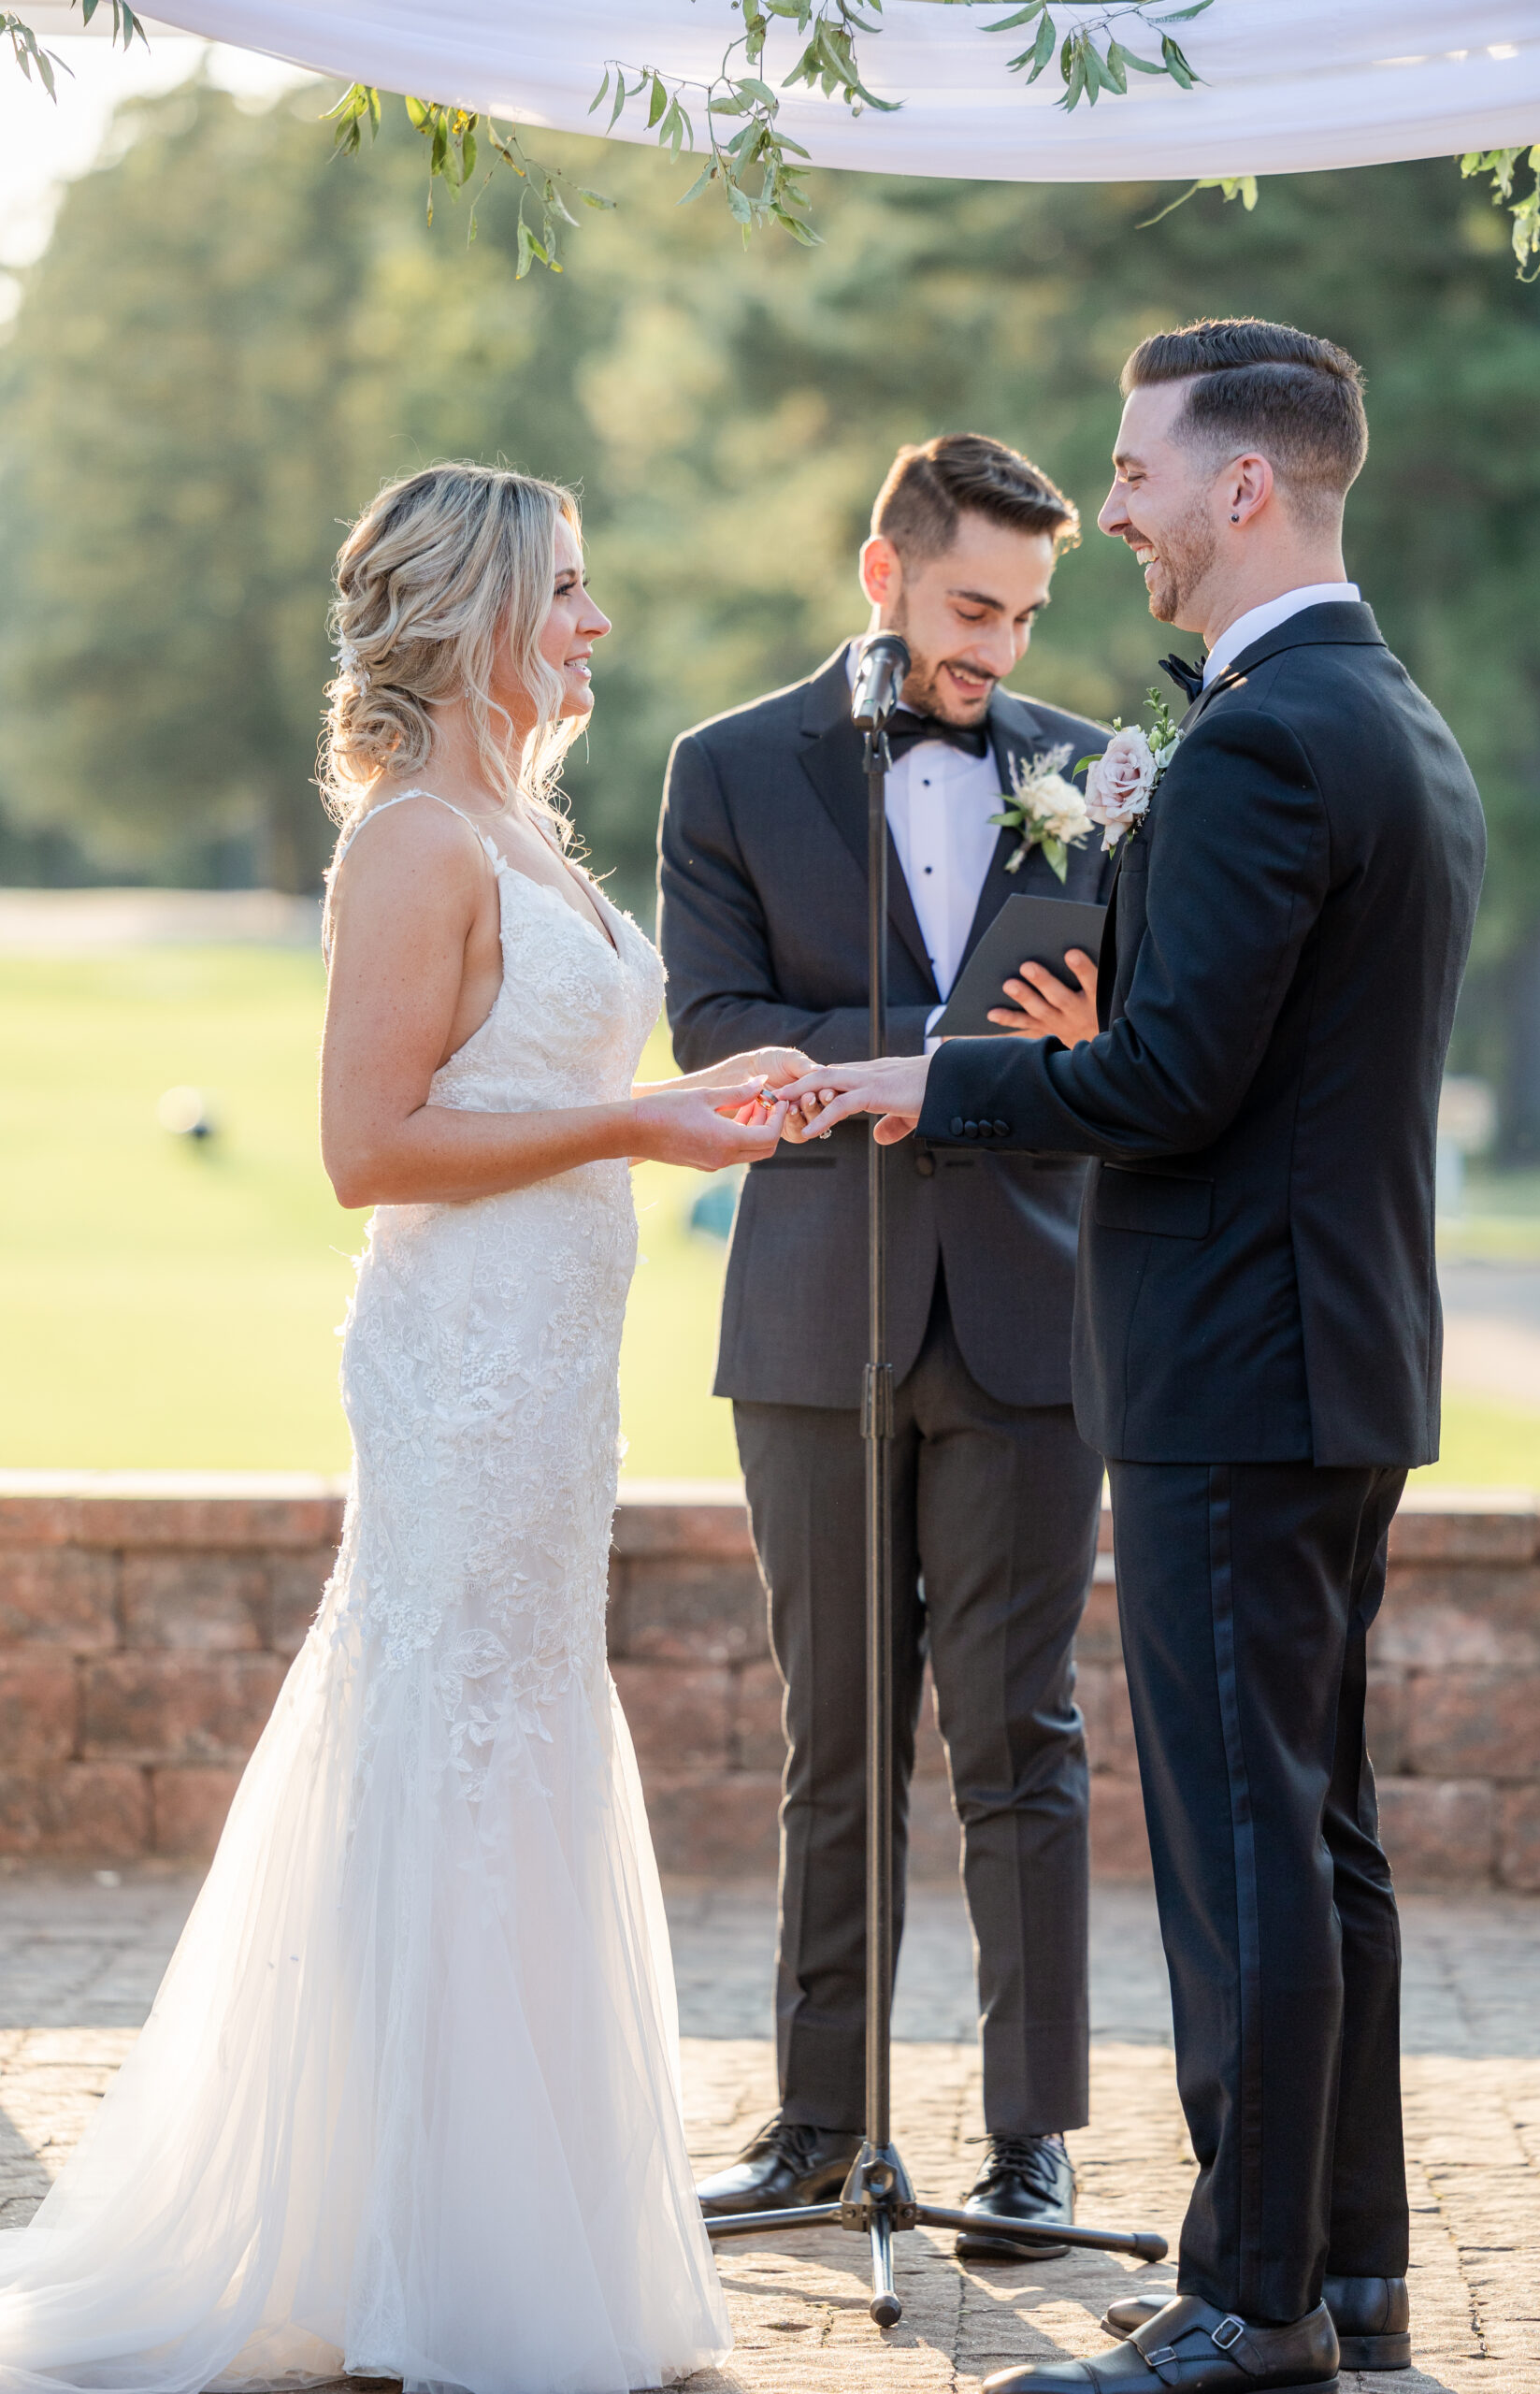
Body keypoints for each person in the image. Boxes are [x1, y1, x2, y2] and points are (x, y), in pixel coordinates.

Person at [0, 462, 800, 2393]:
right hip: (459, 1368)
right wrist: (634, 1124)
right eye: (571, 591)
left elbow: (573, 1077)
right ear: (475, 614)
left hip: (550, 1381)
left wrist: (734, 1085)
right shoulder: (411, 848)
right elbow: (373, 1148)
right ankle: (404, 2253)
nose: (598, 627)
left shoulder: (525, 832)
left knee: (515, 1717)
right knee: (442, 1715)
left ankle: (493, 2231)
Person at [780, 324, 1487, 2393]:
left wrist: (947, 1076)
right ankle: (1346, 2272)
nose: (1115, 512)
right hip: (1334, 1351)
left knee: (1241, 1835)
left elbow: (1172, 1078)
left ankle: (1243, 2298)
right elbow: (1248, 1044)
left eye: (1137, 469)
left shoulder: (1266, 733)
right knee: (1315, 1823)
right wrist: (1123, 1003)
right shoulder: (1386, 716)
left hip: (1230, 1355)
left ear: (1244, 483)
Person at [658, 434, 1115, 2256]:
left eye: (1022, 611)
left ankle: (1033, 2145)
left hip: (1027, 1317)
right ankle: (818, 2127)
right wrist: (946, 1048)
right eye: (967, 604)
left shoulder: (1098, 775)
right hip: (810, 1319)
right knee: (830, 1738)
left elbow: (1136, 1046)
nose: (995, 645)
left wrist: (1065, 1040)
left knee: (1023, 1736)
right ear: (882, 573)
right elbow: (712, 1026)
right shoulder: (723, 766)